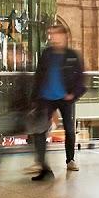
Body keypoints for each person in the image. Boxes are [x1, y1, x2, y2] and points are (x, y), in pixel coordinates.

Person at [29, 22, 86, 181]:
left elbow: (80, 78)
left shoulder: (72, 55)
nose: (52, 37)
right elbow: (39, 75)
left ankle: (70, 159)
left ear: (63, 36)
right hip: (45, 98)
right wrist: (34, 98)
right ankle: (43, 164)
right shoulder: (47, 54)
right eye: (51, 35)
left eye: (55, 34)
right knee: (40, 130)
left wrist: (73, 94)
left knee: (69, 129)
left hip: (64, 98)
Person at [0, 74, 32, 178]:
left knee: (37, 142)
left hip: (19, 116)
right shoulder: (25, 78)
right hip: (20, 115)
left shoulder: (24, 79)